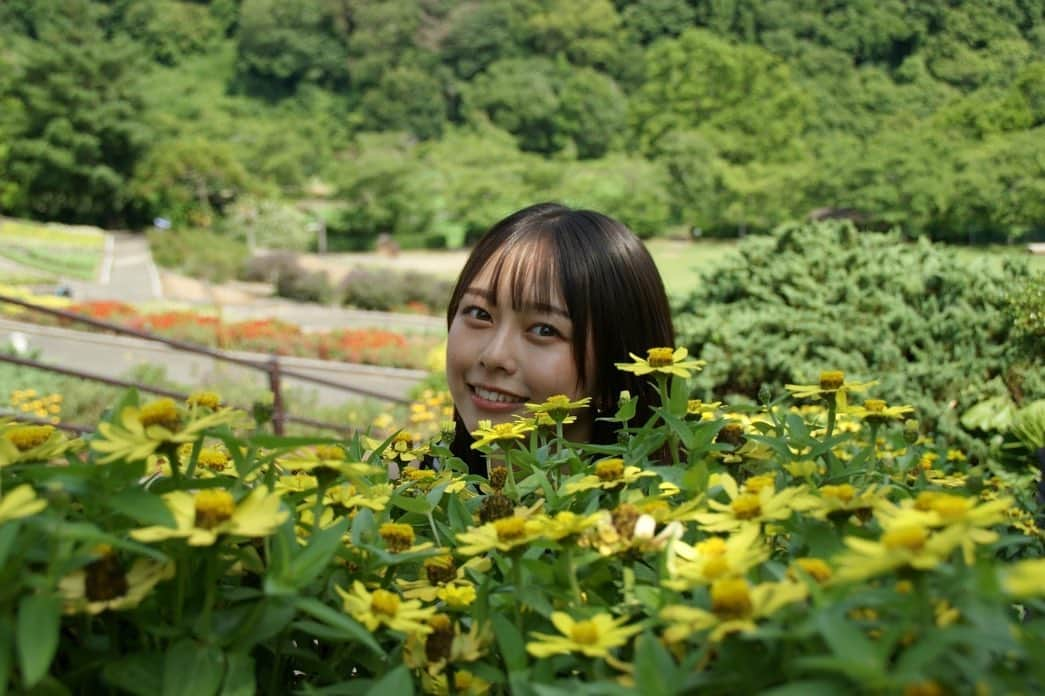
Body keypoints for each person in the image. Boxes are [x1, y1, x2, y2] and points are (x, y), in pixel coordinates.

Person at [443, 202, 675, 475]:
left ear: (618, 364)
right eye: (480, 313)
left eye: (544, 330)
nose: (494, 356)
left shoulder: (652, 513)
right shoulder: (411, 501)